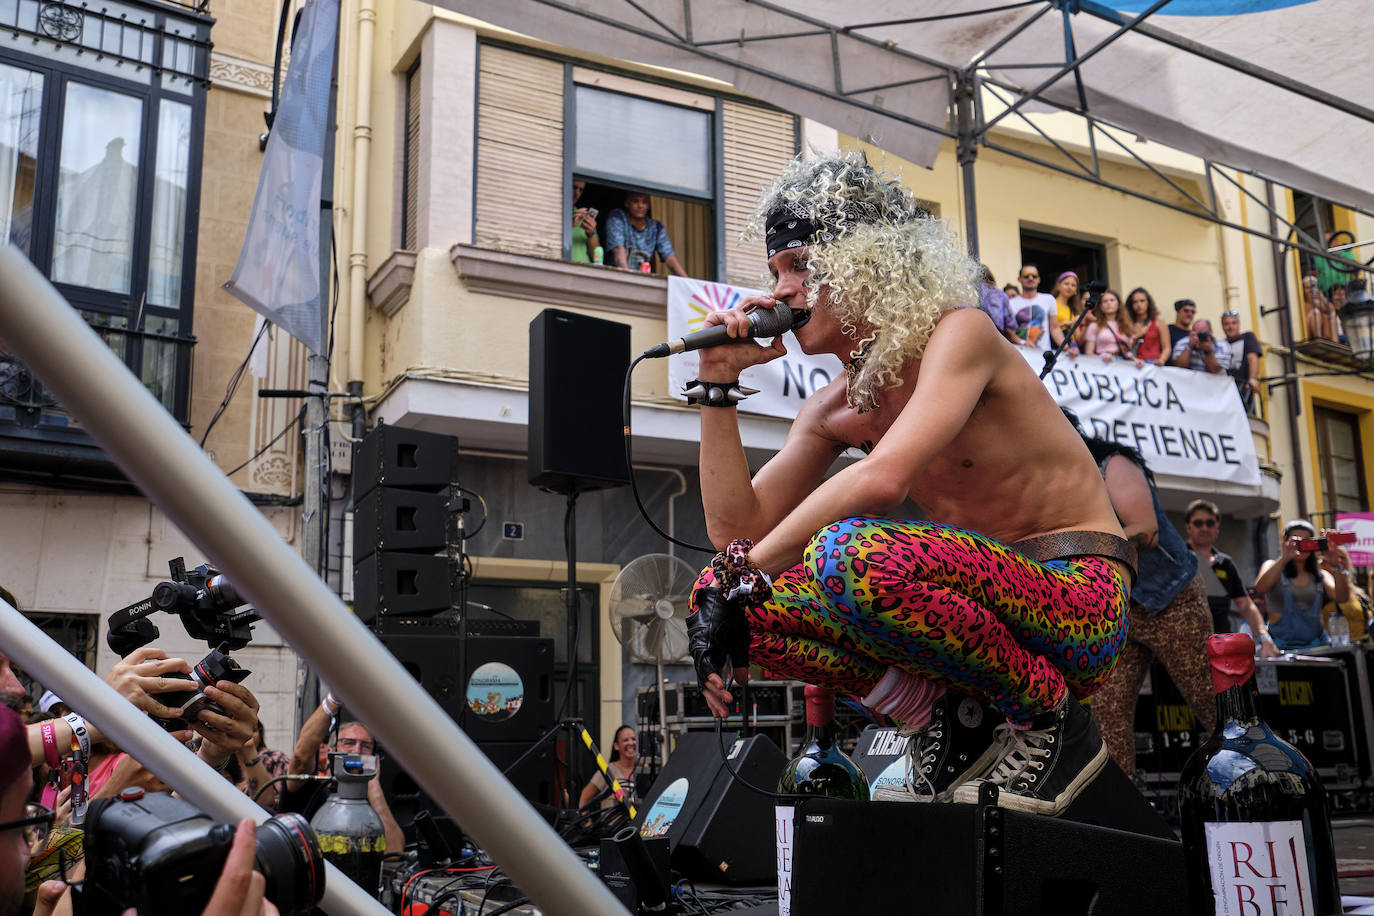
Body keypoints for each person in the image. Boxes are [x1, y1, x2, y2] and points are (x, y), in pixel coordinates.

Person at [685, 152, 1132, 817]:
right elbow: (734, 532)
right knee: (716, 599)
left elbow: (883, 480)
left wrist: (739, 576)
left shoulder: (961, 334)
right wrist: (718, 381)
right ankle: (939, 720)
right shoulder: (833, 406)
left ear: (866, 264)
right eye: (776, 271)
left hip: (1075, 598)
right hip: (977, 614)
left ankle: (1047, 719)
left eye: (801, 267)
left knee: (846, 556)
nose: (779, 291)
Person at [1068, 422, 1215, 777]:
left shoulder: (1113, 464)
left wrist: (1079, 554)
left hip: (1171, 600)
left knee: (1209, 699)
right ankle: (1126, 812)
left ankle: (1260, 773)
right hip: (1120, 609)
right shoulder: (1057, 483)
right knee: (1108, 716)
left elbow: (1145, 530)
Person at [283, 691, 403, 854]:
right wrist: (333, 699)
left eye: (366, 746)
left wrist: (374, 789)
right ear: (332, 749)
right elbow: (300, 759)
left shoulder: (374, 799)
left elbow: (393, 852)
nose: (357, 750)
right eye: (349, 743)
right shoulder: (313, 786)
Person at [1184, 499, 1274, 653]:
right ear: (1188, 527)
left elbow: (1246, 605)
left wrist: (1265, 639)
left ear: (1217, 527)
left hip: (1218, 649)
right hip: (1182, 647)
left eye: (1210, 523)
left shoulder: (1225, 564)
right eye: (1198, 523)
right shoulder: (1177, 558)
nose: (1204, 528)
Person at [1253, 519, 1352, 650]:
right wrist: (1284, 558)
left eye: (1307, 541)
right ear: (1285, 541)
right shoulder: (1272, 566)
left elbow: (1342, 598)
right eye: (1296, 541)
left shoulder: (1320, 575)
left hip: (1316, 646)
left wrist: (1336, 566)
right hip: (1281, 647)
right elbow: (1260, 587)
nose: (1301, 545)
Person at [606, 191, 688, 276]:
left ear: (648, 205)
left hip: (642, 282)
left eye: (644, 202)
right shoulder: (618, 217)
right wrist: (626, 277)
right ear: (627, 203)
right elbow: (618, 249)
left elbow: (670, 258)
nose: (640, 205)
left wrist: (689, 284)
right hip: (616, 279)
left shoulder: (655, 227)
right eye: (635, 201)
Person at [577, 725, 638, 811]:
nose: (631, 743)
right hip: (612, 824)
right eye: (625, 740)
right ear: (616, 746)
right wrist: (586, 822)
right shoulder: (608, 770)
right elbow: (584, 798)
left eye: (633, 739)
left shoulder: (643, 770)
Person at [1007, 263, 1061, 350]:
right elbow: (1008, 331)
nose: (1030, 278)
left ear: (1039, 279)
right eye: (1026, 276)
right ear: (1019, 279)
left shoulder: (1049, 299)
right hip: (1020, 355)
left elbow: (1055, 329)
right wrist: (1022, 342)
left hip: (1043, 355)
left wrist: (1067, 348)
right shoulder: (1010, 303)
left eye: (1034, 276)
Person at [1082, 289, 1140, 364]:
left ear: (1118, 304)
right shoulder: (1094, 326)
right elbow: (1088, 353)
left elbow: (1127, 351)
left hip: (1123, 363)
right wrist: (1101, 358)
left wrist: (1135, 360)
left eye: (1112, 300)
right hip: (1104, 364)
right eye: (1105, 301)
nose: (1109, 303)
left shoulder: (1127, 325)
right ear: (1100, 306)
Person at [1219, 309, 1262, 406]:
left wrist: (1252, 379)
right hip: (1225, 390)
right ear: (1222, 326)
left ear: (1238, 324)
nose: (1230, 327)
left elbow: (1252, 358)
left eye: (1234, 323)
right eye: (1227, 324)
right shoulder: (1220, 344)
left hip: (1243, 388)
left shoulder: (1247, 337)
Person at [1126, 287, 1170, 366]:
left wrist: (1162, 360)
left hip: (1154, 363)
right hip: (1134, 363)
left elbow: (1167, 348)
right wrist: (1136, 336)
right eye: (1135, 302)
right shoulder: (1128, 323)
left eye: (1142, 301)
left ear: (1148, 303)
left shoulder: (1158, 320)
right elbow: (1125, 348)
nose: (1139, 305)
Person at [977, 265, 1017, 344]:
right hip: (995, 340)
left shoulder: (965, 294)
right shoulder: (1000, 294)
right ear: (990, 276)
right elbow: (1010, 325)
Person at [569, 179, 601, 264]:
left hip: (583, 272)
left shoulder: (583, 215)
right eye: (574, 187)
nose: (577, 194)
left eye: (580, 190)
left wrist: (590, 233)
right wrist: (569, 226)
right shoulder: (552, 210)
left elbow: (596, 258)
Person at [1051, 270, 1084, 348]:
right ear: (1058, 286)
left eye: (1073, 285)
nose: (1070, 287)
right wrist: (1064, 324)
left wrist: (1086, 323)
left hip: (1072, 346)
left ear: (1076, 291)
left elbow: (1078, 339)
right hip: (1056, 346)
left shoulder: (1074, 309)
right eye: (1066, 284)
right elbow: (1046, 328)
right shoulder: (1051, 303)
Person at [1303, 274, 1339, 341]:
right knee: (1315, 312)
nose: (1311, 290)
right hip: (1306, 334)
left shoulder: (1317, 301)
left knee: (1331, 314)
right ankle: (1318, 340)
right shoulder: (1303, 302)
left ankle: (1334, 341)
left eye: (1313, 287)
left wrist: (1322, 298)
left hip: (1322, 332)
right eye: (1308, 288)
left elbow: (1331, 309)